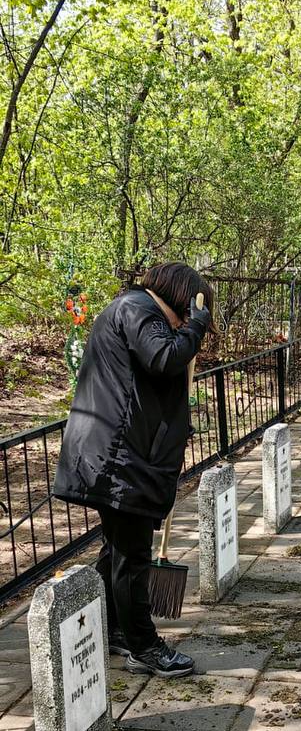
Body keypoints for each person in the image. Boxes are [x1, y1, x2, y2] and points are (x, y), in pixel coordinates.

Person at [53, 262, 213, 678]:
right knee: (132, 556)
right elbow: (163, 359)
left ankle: (108, 626)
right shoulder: (138, 310)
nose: (184, 323)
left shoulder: (136, 311)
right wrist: (195, 328)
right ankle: (144, 646)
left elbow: (151, 380)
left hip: (120, 454)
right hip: (116, 458)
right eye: (188, 312)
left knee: (119, 551)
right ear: (181, 298)